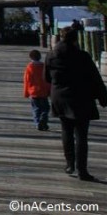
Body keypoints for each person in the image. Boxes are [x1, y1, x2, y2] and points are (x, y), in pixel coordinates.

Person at [44, 26, 107, 181]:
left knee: (66, 131)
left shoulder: (51, 56)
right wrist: (103, 98)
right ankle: (82, 170)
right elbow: (95, 78)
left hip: (60, 97)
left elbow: (46, 77)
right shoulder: (82, 56)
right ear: (75, 39)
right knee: (81, 136)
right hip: (81, 98)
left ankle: (69, 164)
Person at [22, 49, 51, 131]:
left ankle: (38, 123)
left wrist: (26, 93)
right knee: (46, 108)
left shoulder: (29, 67)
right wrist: (49, 90)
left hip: (33, 92)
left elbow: (26, 80)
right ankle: (43, 120)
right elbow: (48, 79)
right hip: (43, 91)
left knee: (36, 109)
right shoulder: (44, 66)